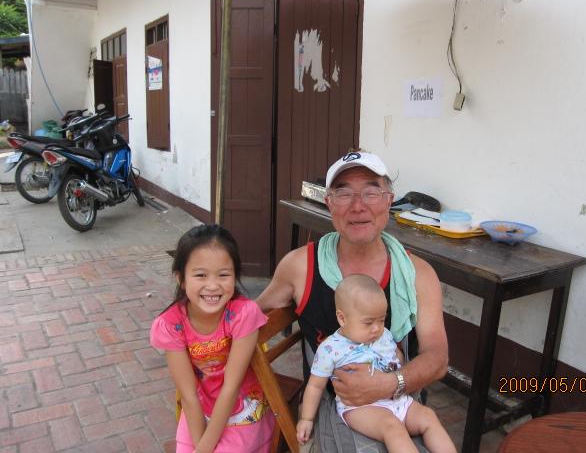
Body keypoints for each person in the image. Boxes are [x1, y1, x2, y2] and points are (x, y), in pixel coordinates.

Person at [257, 150, 449, 452]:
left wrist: (388, 384)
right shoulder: (301, 266)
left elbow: (437, 359)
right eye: (343, 193)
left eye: (371, 192)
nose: (358, 206)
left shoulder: (417, 274)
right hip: (337, 408)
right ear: (328, 203)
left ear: (389, 201)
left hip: (402, 400)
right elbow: (251, 315)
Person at [150, 224, 275, 453]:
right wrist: (202, 446)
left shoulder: (243, 315)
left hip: (241, 409)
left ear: (235, 276)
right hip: (198, 409)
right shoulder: (171, 325)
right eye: (200, 275)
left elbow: (231, 386)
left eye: (223, 275)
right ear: (181, 278)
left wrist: (204, 449)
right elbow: (188, 394)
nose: (212, 285)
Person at [296, 274, 456, 453]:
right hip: (359, 408)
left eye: (381, 320)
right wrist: (306, 419)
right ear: (342, 318)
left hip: (395, 398)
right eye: (368, 322)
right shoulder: (330, 348)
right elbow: (315, 386)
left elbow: (397, 358)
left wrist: (398, 369)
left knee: (428, 416)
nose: (377, 328)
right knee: (392, 428)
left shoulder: (383, 335)